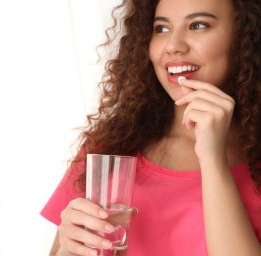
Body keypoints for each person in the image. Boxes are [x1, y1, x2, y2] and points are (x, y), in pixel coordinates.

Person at [41, 0, 261, 255]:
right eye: (161, 29)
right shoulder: (108, 146)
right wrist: (69, 249)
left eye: (198, 25)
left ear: (245, 36)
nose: (173, 46)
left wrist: (212, 160)